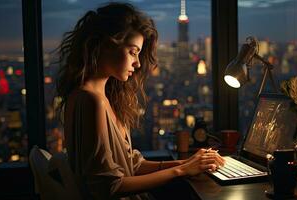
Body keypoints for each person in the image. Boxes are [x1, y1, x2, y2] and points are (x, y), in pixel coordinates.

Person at [56, 2, 225, 200]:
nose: (137, 63)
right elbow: (108, 187)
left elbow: (132, 165)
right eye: (133, 52)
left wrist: (189, 163)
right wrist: (182, 171)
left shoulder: (100, 97)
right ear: (107, 44)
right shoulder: (90, 101)